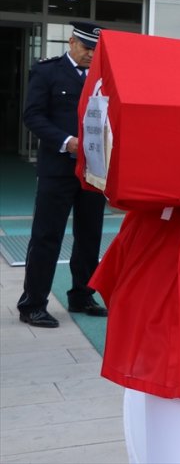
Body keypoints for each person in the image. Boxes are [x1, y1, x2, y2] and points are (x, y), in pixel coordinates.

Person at [17, 22, 108, 328]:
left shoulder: (103, 75)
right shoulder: (47, 72)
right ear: (71, 42)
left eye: (96, 50)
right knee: (46, 236)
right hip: (57, 168)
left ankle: (82, 294)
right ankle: (33, 304)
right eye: (86, 48)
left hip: (93, 170)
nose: (90, 55)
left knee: (89, 236)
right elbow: (33, 115)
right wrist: (66, 141)